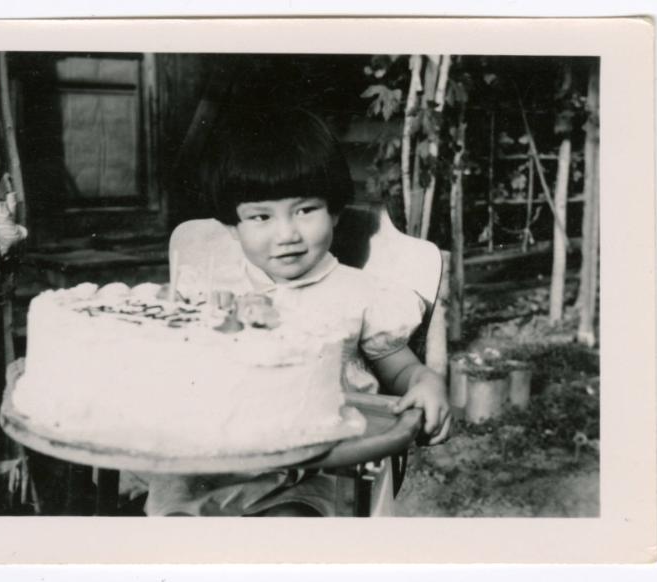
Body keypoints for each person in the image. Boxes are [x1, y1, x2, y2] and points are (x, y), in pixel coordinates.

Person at [144, 106, 451, 517]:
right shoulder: (213, 291)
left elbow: (401, 370)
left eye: (305, 210)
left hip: (320, 466)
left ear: (336, 211)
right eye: (260, 217)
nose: (286, 234)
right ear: (233, 227)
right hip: (221, 459)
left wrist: (427, 380)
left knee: (288, 528)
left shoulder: (358, 293)